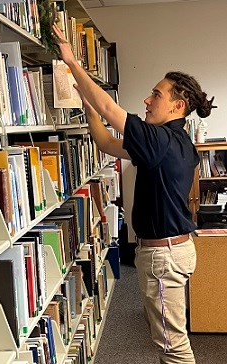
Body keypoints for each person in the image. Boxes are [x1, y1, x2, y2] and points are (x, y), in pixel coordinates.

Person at [53, 24, 216, 363]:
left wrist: (72, 61)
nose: (147, 100)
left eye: (156, 95)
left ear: (178, 105)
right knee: (170, 340)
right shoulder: (176, 142)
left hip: (163, 257)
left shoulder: (161, 141)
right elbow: (108, 142)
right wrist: (89, 107)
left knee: (174, 349)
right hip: (173, 251)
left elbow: (114, 113)